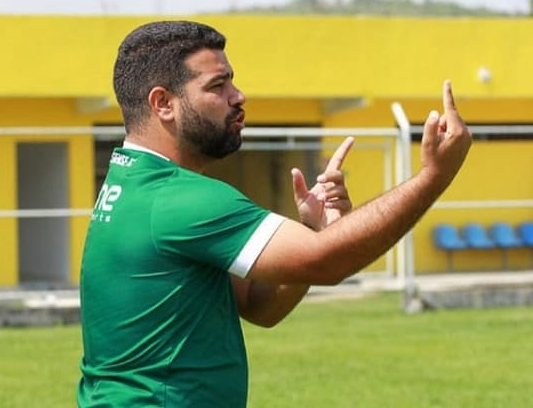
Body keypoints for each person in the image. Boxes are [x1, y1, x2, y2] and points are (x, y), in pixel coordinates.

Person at [77, 20, 471, 408]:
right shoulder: (178, 199)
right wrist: (433, 177)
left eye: (232, 80)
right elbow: (327, 263)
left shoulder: (130, 184)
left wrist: (312, 231)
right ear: (163, 103)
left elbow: (258, 305)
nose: (238, 96)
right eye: (217, 86)